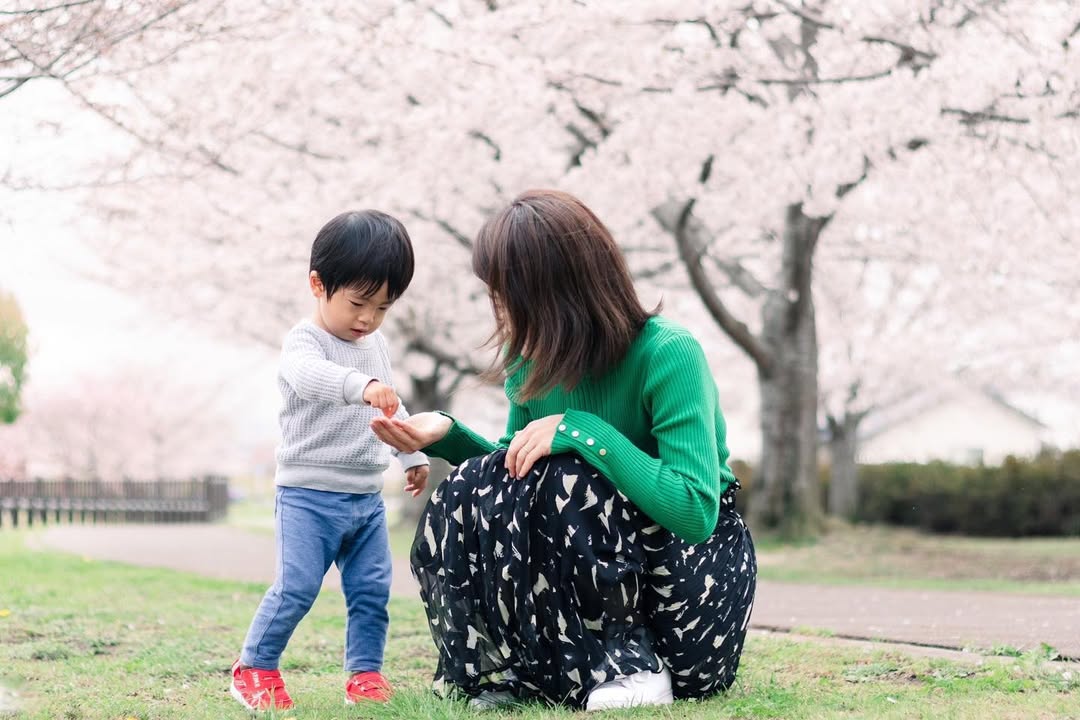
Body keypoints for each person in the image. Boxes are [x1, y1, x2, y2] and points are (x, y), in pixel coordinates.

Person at [371, 189, 757, 712]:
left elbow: (694, 512)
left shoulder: (668, 352)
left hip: (687, 588)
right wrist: (448, 436)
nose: (499, 308)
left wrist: (582, 431)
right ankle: (513, 671)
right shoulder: (530, 359)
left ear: (556, 291)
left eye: (507, 293)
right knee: (469, 489)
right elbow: (514, 483)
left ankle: (635, 669)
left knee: (570, 474)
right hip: (597, 591)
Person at [230, 210, 431, 712]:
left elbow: (391, 406)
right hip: (307, 495)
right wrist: (360, 386)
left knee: (371, 592)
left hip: (364, 498)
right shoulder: (305, 341)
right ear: (318, 285)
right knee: (297, 587)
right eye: (358, 303)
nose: (367, 319)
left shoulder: (375, 345)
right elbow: (309, 376)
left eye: (382, 308)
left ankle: (365, 675)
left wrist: (410, 453)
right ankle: (254, 667)